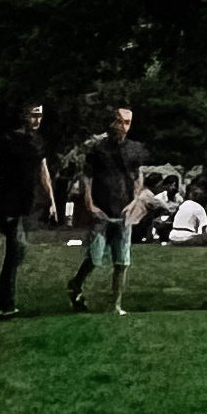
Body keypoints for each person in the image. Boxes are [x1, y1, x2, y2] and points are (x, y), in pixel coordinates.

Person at [0, 98, 56, 322]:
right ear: (23, 115)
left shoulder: (37, 141)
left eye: (40, 115)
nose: (37, 120)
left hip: (27, 203)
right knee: (17, 249)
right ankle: (4, 304)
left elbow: (43, 171)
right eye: (33, 115)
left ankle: (3, 302)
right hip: (8, 201)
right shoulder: (7, 141)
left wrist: (52, 200)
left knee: (17, 253)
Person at [68, 99, 147, 315]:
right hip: (101, 210)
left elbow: (138, 177)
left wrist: (134, 201)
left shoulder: (135, 149)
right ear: (112, 122)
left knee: (122, 262)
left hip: (124, 212)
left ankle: (116, 305)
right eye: (119, 121)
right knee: (95, 257)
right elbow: (88, 177)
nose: (123, 126)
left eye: (127, 122)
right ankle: (76, 283)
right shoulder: (98, 149)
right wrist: (89, 204)